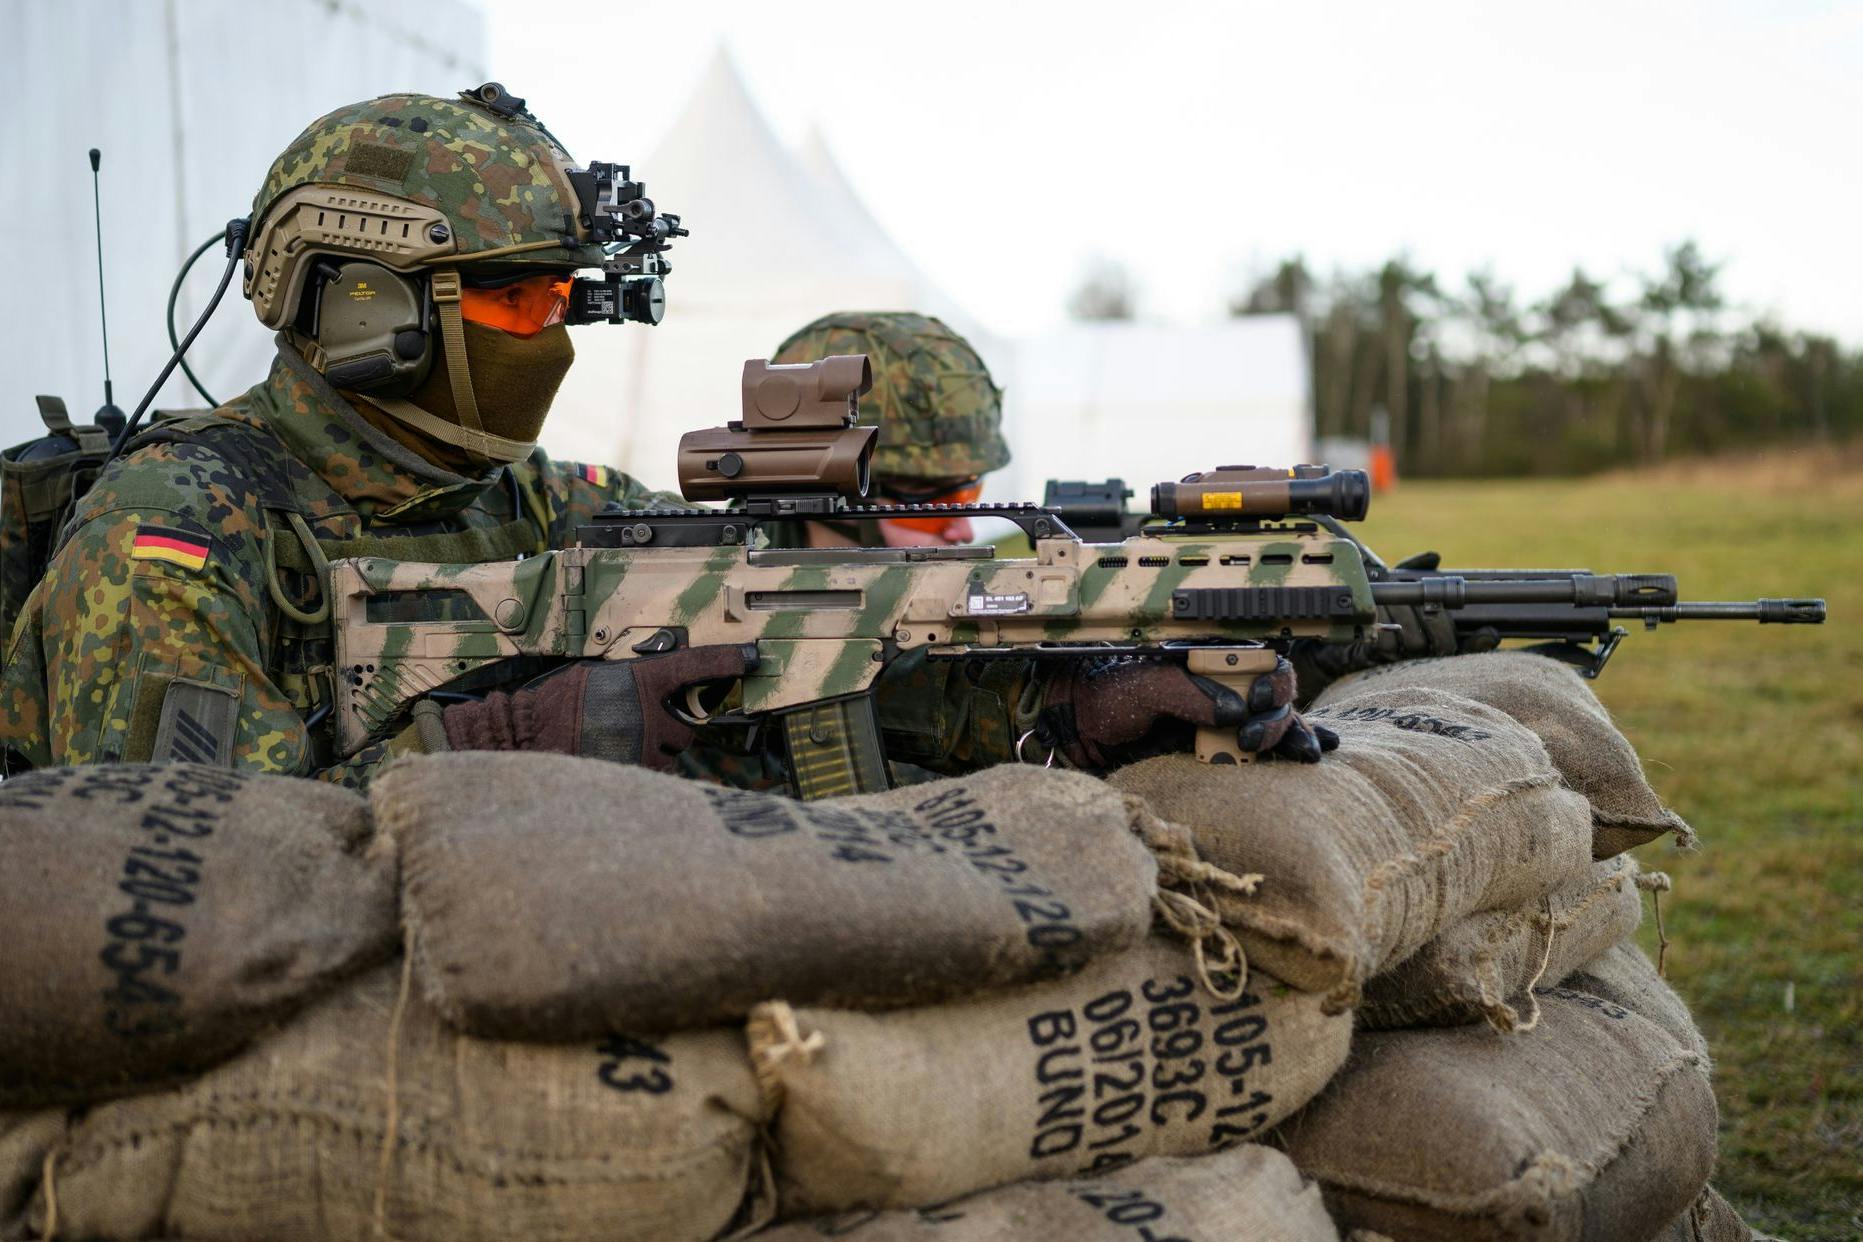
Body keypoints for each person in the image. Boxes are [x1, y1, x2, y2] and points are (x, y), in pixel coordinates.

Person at [0, 85, 735, 784]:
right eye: (515, 302)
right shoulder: (167, 536)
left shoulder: (527, 500)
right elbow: (185, 859)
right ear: (369, 310)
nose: (550, 343)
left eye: (558, 304)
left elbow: (748, 571)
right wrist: (487, 747)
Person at [682, 312, 1334, 790]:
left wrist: (1081, 709)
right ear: (827, 494)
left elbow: (936, 704)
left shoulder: (907, 627)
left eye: (972, 494)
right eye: (937, 502)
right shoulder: (684, 586)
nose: (963, 529)